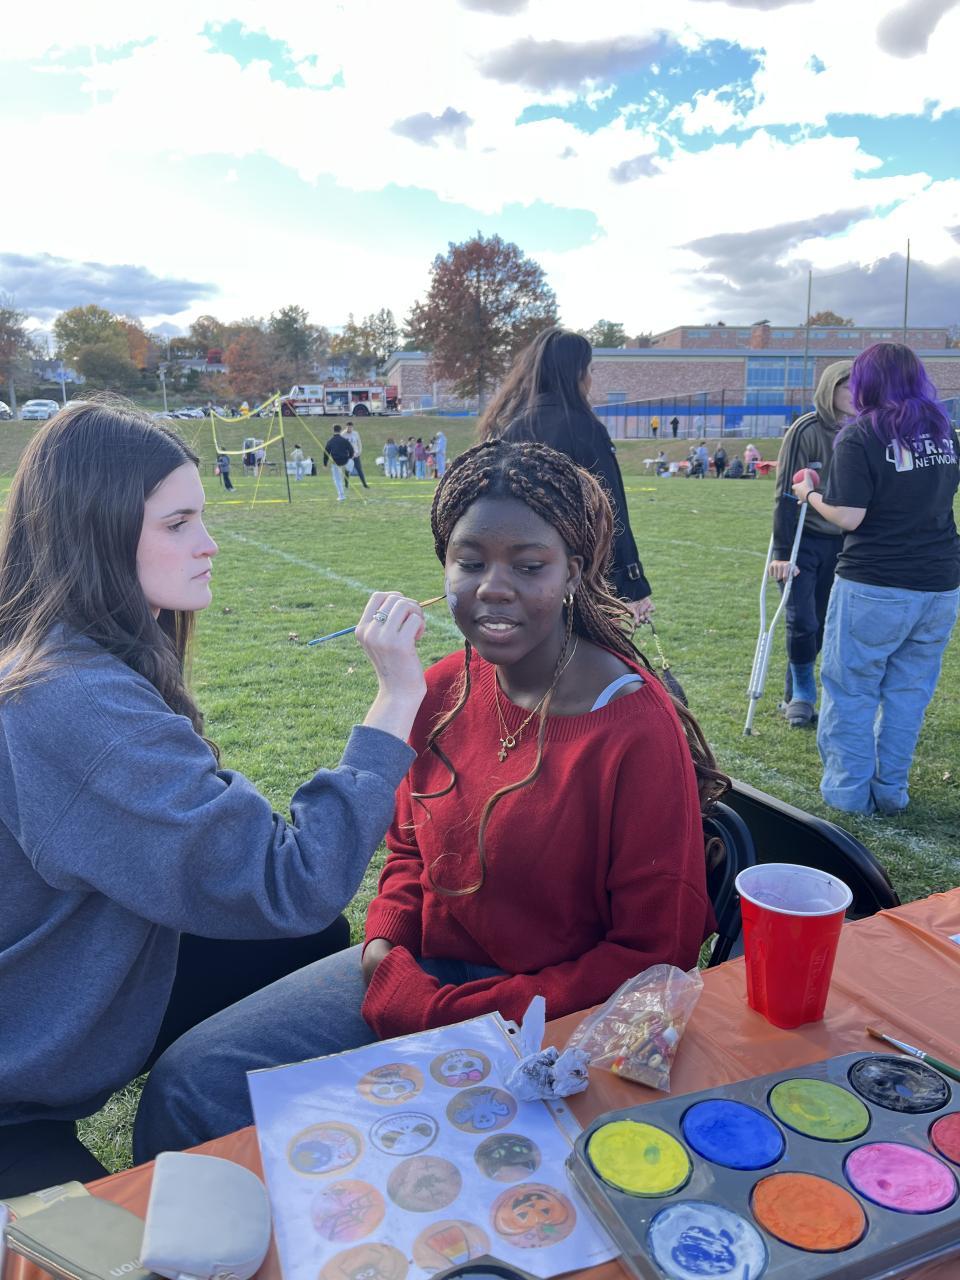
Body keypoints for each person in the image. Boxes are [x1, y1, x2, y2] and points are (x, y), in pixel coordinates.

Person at [136, 439, 725, 1158]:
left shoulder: (633, 727)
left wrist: (443, 1013)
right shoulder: (443, 686)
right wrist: (384, 945)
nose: (493, 588)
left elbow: (651, 956)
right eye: (470, 562)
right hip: (419, 972)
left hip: (555, 1021)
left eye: (529, 566)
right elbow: (410, 847)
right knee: (193, 1085)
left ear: (574, 570)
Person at [0, 400, 428, 1195]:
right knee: (115, 1249)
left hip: (49, 1000)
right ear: (97, 534)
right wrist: (397, 696)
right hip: (14, 1085)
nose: (209, 543)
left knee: (295, 944)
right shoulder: (73, 702)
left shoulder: (55, 650)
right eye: (178, 523)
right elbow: (291, 880)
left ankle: (233, 1112)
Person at [792, 343, 959, 815]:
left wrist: (809, 495)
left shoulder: (861, 433)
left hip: (876, 583)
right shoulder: (943, 431)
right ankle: (890, 791)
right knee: (908, 693)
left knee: (851, 690)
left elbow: (848, 515)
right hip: (938, 583)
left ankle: (848, 796)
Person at [481, 326, 655, 625]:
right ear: (576, 373)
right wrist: (631, 585)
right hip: (579, 578)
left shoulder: (513, 430)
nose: (590, 378)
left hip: (524, 576)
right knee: (580, 651)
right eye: (589, 369)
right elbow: (610, 512)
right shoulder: (584, 429)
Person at [769, 361, 853, 727]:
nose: (856, 395)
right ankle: (803, 692)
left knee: (822, 622)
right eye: (848, 387)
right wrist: (782, 554)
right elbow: (786, 493)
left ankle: (795, 693)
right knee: (801, 618)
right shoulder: (806, 429)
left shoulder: (865, 429)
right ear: (830, 389)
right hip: (805, 539)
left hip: (846, 541)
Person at [322, 423, 354, 500]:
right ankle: (348, 470)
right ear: (340, 430)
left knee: (337, 480)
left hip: (336, 462)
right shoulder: (344, 440)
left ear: (333, 430)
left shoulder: (330, 441)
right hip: (346, 461)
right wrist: (349, 457)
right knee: (351, 462)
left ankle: (341, 496)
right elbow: (352, 450)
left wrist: (325, 464)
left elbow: (326, 453)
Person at [343, 421, 370, 489]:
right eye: (348, 427)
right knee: (347, 470)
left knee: (359, 469)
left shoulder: (356, 433)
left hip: (355, 455)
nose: (349, 429)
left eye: (351, 427)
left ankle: (364, 484)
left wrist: (359, 452)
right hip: (347, 456)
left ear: (352, 427)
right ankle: (346, 485)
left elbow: (359, 443)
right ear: (346, 427)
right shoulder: (343, 434)